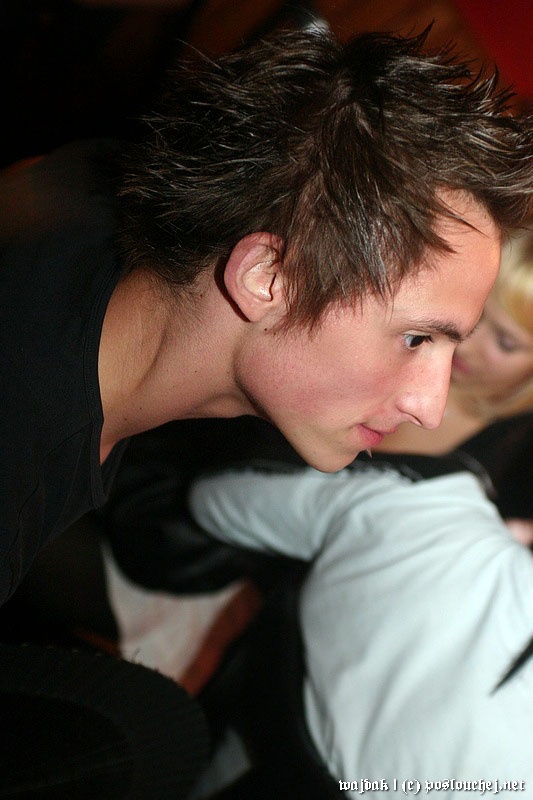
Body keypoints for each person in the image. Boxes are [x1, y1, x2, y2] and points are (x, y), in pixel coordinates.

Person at [1, 28, 532, 608]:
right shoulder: (21, 460)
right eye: (415, 338)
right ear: (267, 277)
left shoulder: (82, 192)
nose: (429, 408)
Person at [188, 453, 533, 797]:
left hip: (236, 735)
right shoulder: (438, 508)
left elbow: (213, 501)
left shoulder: (433, 503)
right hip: (238, 740)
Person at [374, 224, 533, 536]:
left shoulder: (520, 467)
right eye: (476, 311)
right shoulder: (390, 339)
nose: (466, 343)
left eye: (505, 342)